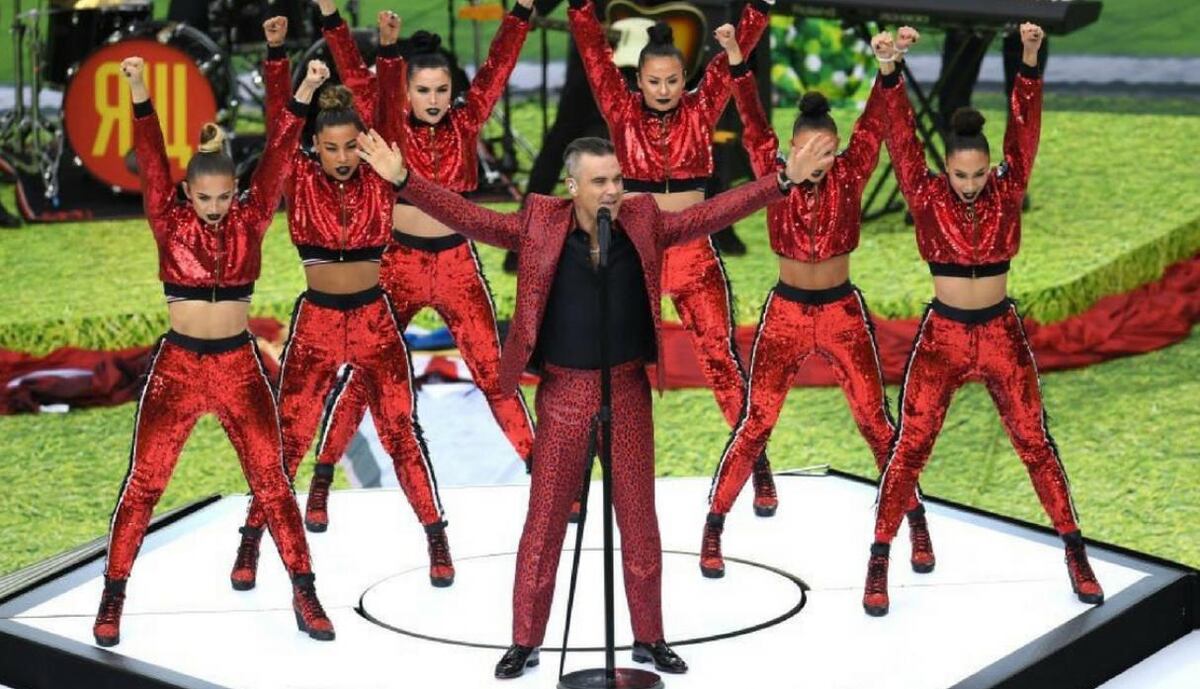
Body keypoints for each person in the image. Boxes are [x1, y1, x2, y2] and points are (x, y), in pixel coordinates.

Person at [352, 130, 834, 679]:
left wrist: (783, 181)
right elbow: (475, 220)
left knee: (639, 519)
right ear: (572, 184)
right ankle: (524, 641)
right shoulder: (540, 221)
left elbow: (710, 214)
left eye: (617, 180)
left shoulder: (643, 219)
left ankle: (649, 638)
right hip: (562, 393)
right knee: (545, 522)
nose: (612, 191)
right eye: (600, 181)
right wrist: (406, 181)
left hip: (626, 388)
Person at [94, 46, 334, 647]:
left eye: (225, 197)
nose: (216, 208)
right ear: (187, 194)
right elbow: (151, 159)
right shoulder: (167, 219)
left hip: (237, 365)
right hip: (177, 367)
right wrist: (140, 90)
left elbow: (277, 156)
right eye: (205, 199)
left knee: (272, 481)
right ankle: (112, 596)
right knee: (144, 483)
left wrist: (304, 91)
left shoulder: (251, 220)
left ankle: (305, 592)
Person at [862, 25, 1103, 617]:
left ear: (991, 167)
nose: (968, 185)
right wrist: (890, 73)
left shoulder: (1008, 187)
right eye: (959, 174)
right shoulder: (925, 193)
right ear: (946, 168)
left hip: (1000, 333)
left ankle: (1074, 550)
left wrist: (1027, 58)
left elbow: (1026, 127)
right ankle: (879, 555)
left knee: (1034, 444)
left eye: (978, 174)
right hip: (942, 335)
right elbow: (899, 137)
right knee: (910, 446)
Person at [228, 15, 452, 592]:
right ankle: (252, 540)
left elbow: (382, 113)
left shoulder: (379, 174)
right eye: (332, 148)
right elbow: (281, 133)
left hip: (376, 319)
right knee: (289, 440)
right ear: (317, 149)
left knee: (402, 432)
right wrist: (278, 56)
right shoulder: (299, 178)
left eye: (353, 146)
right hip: (319, 324)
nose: (345, 156)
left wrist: (388, 49)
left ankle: (435, 536)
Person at [700, 32, 935, 579]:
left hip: (840, 312)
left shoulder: (851, 173)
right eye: (810, 152)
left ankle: (915, 520)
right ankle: (714, 526)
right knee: (756, 421)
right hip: (784, 312)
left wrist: (889, 68)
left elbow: (876, 124)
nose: (820, 162)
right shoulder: (771, 168)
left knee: (876, 423)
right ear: (793, 150)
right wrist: (737, 59)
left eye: (828, 152)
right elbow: (752, 117)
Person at [295, 0, 537, 532]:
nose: (433, 100)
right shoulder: (387, 124)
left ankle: (542, 473)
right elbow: (357, 75)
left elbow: (498, 65)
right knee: (363, 376)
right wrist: (333, 18)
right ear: (405, 92)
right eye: (423, 90)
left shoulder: (468, 120)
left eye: (441, 90)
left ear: (454, 92)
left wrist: (520, 11)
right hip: (397, 262)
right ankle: (322, 474)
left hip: (457, 264)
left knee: (495, 373)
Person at [569, 0, 783, 517]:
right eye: (653, 81)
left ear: (683, 78)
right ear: (637, 80)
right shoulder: (619, 111)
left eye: (671, 81)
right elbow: (595, 55)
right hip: (633, 252)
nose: (663, 90)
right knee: (602, 363)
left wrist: (758, 10)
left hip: (693, 253)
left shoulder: (702, 104)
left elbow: (737, 51)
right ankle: (580, 474)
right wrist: (580, 8)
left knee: (721, 362)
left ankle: (755, 464)